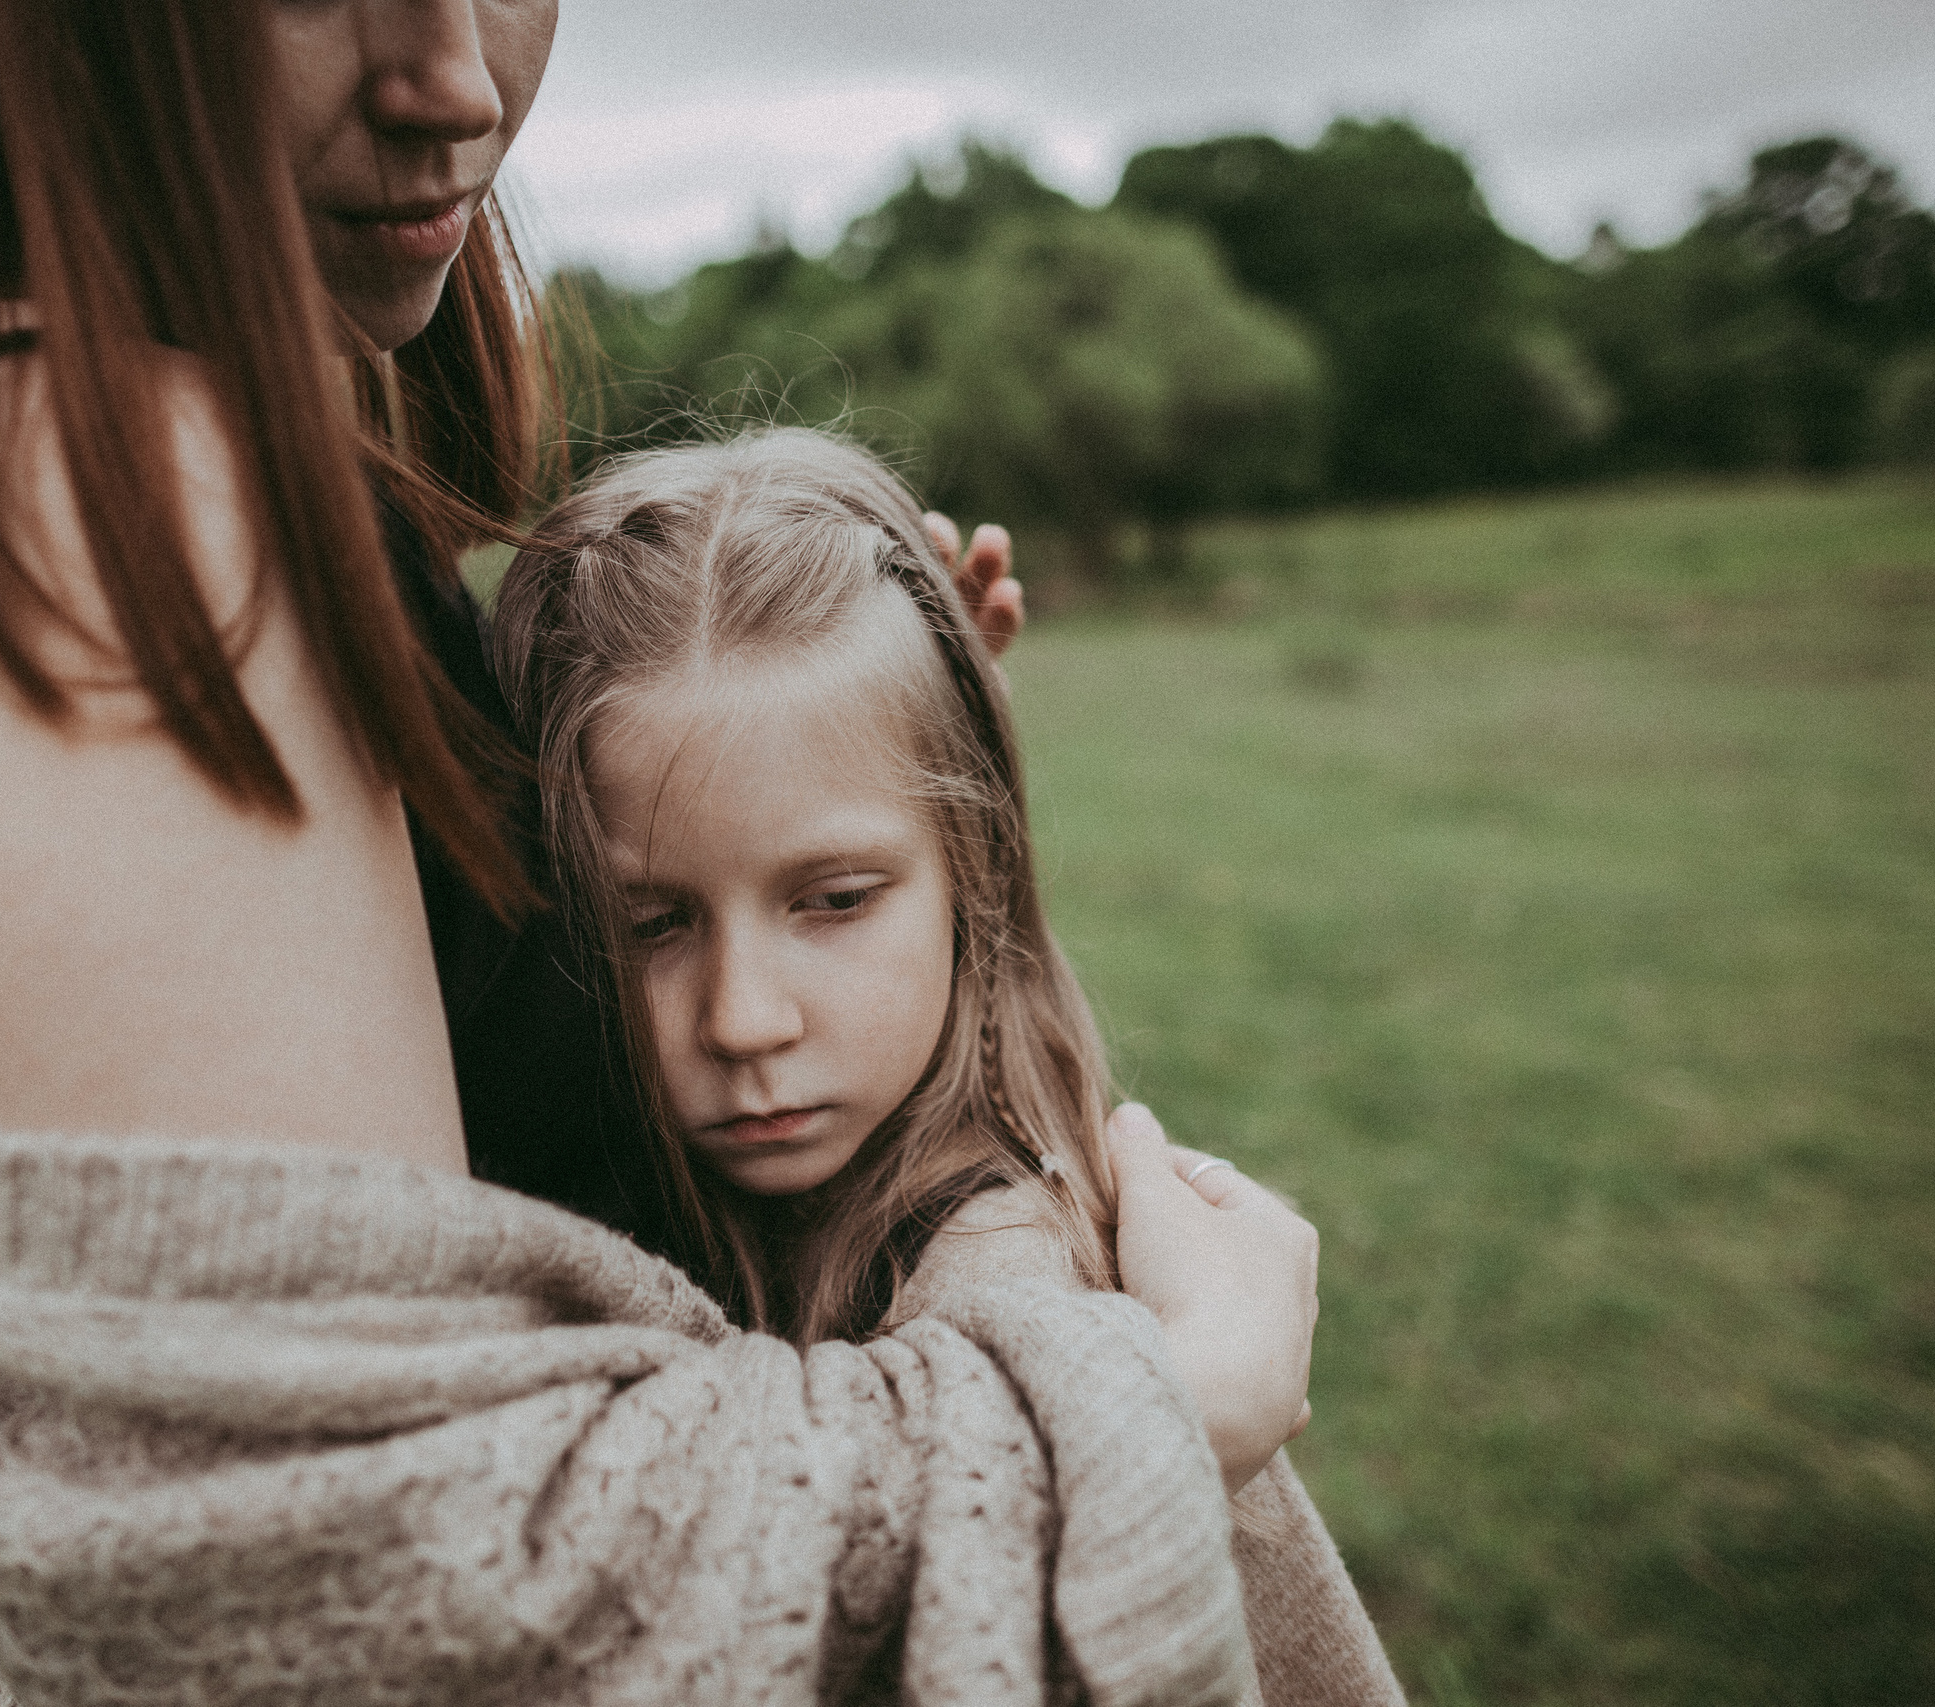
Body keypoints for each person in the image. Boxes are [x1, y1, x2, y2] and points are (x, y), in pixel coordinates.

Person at [0, 1, 1325, 1700]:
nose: (455, 82)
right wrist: (1166, 1396)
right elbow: (393, 1586)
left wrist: (878, 728)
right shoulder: (94, 512)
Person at [491, 427, 1403, 1707]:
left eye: (834, 899)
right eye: (650, 924)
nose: (742, 1020)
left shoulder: (1005, 1283)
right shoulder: (595, 1186)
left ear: (973, 869)